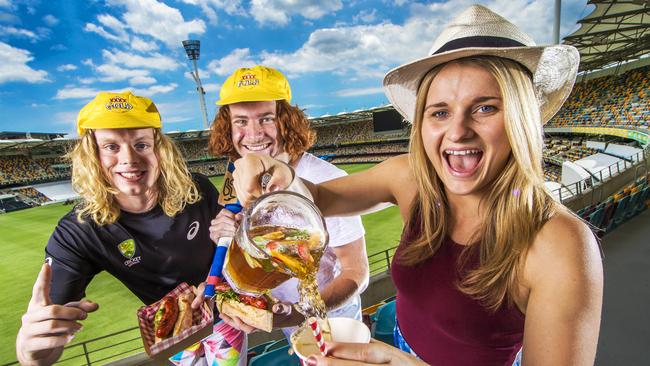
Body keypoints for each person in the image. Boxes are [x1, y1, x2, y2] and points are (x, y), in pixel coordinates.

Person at [231, 5, 603, 366]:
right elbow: (318, 198)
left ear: (522, 116)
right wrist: (268, 167)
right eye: (439, 112)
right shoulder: (410, 178)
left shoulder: (561, 243)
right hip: (399, 346)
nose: (457, 131)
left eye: (486, 107)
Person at [16, 91, 221, 365]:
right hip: (176, 334)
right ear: (93, 155)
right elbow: (45, 343)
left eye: (141, 145)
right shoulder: (77, 232)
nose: (129, 159)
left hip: (228, 311)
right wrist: (30, 350)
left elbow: (230, 243)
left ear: (159, 149)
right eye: (111, 147)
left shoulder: (197, 188)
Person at [208, 65, 369, 338]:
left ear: (286, 120)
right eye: (241, 121)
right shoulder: (239, 175)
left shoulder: (325, 177)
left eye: (266, 119)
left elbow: (356, 273)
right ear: (228, 125)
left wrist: (295, 312)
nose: (254, 134)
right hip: (287, 321)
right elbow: (261, 252)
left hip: (335, 323)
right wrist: (229, 235)